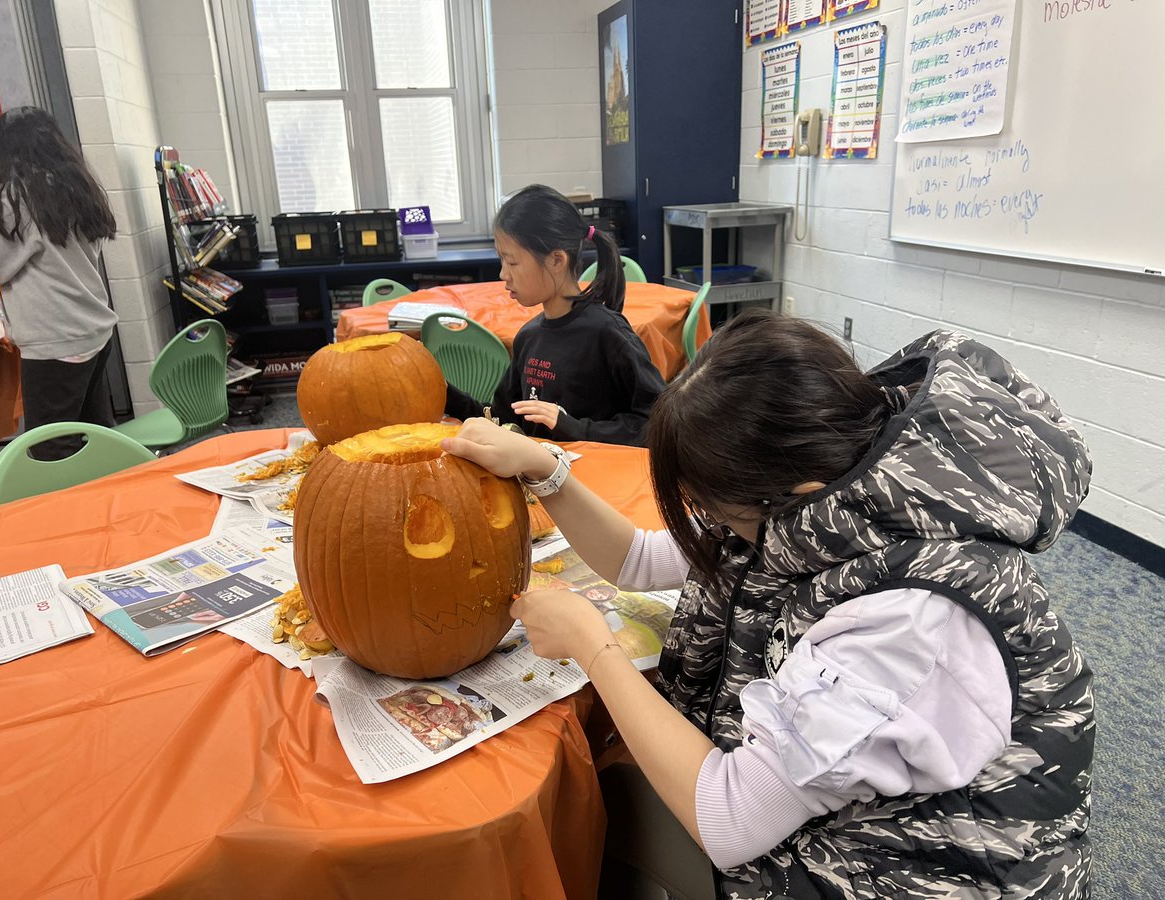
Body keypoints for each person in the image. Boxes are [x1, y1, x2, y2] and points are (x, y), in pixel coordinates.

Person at [443, 309, 1094, 899]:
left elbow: (729, 821)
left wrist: (595, 648)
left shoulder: (908, 623)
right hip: (846, 799)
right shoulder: (828, 492)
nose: (707, 527)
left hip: (926, 866)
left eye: (713, 509)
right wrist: (546, 471)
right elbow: (642, 559)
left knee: (620, 802)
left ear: (788, 493)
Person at [444, 184, 665, 447]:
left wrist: (571, 426)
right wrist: (446, 394)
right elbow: (502, 422)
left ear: (557, 260)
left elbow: (657, 423)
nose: (503, 274)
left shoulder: (607, 333)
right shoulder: (528, 337)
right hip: (541, 482)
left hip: (596, 483)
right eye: (501, 261)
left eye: (512, 262)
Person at [0, 106, 119, 460]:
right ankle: (107, 505)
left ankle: (72, 512)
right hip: (92, 332)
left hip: (55, 342)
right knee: (93, 436)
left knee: (51, 450)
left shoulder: (18, 197)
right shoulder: (75, 185)